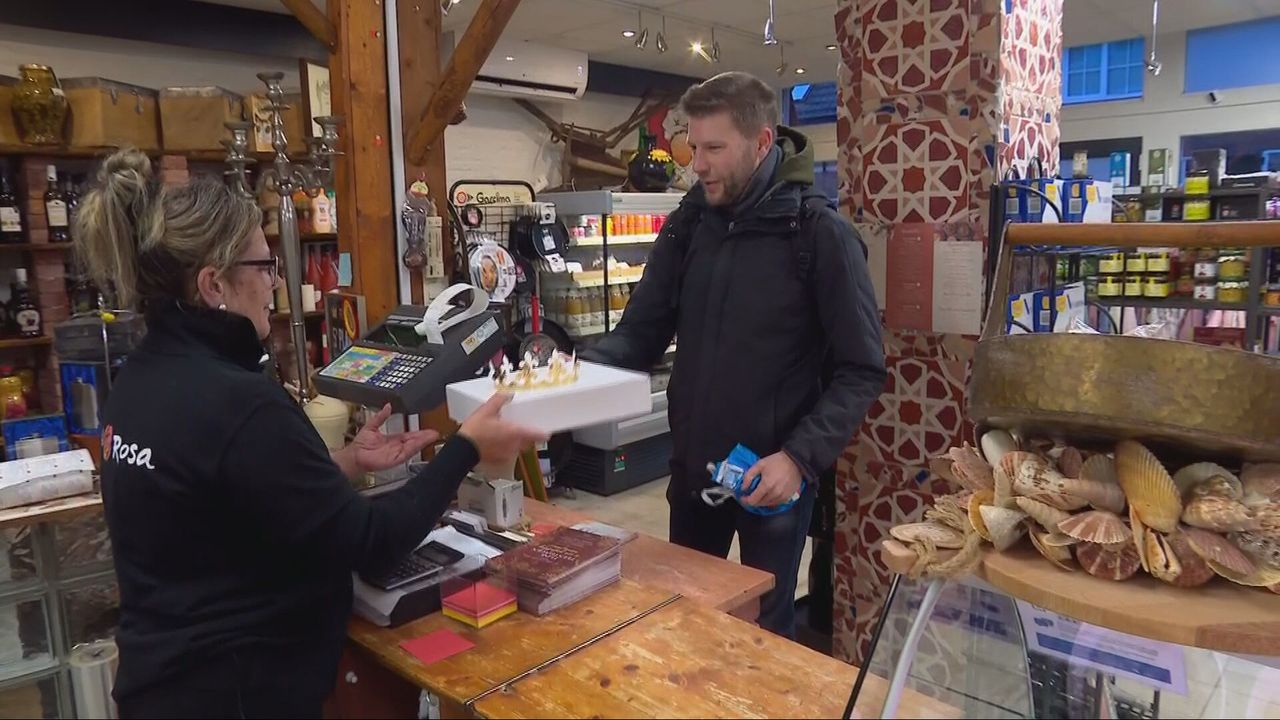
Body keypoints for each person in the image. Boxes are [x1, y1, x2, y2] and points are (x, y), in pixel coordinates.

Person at [74, 149, 546, 719]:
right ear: (213, 284)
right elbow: (370, 541)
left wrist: (343, 464)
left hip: (162, 684)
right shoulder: (236, 401)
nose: (274, 282)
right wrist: (466, 448)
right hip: (237, 695)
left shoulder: (140, 378)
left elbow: (221, 496)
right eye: (263, 266)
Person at [580, 71, 886, 638]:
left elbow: (861, 368)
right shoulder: (688, 225)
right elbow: (639, 335)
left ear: (762, 143)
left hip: (773, 480)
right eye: (694, 147)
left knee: (761, 634)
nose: (697, 163)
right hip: (694, 473)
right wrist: (563, 378)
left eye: (714, 149)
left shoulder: (818, 234)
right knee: (688, 619)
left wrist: (797, 460)